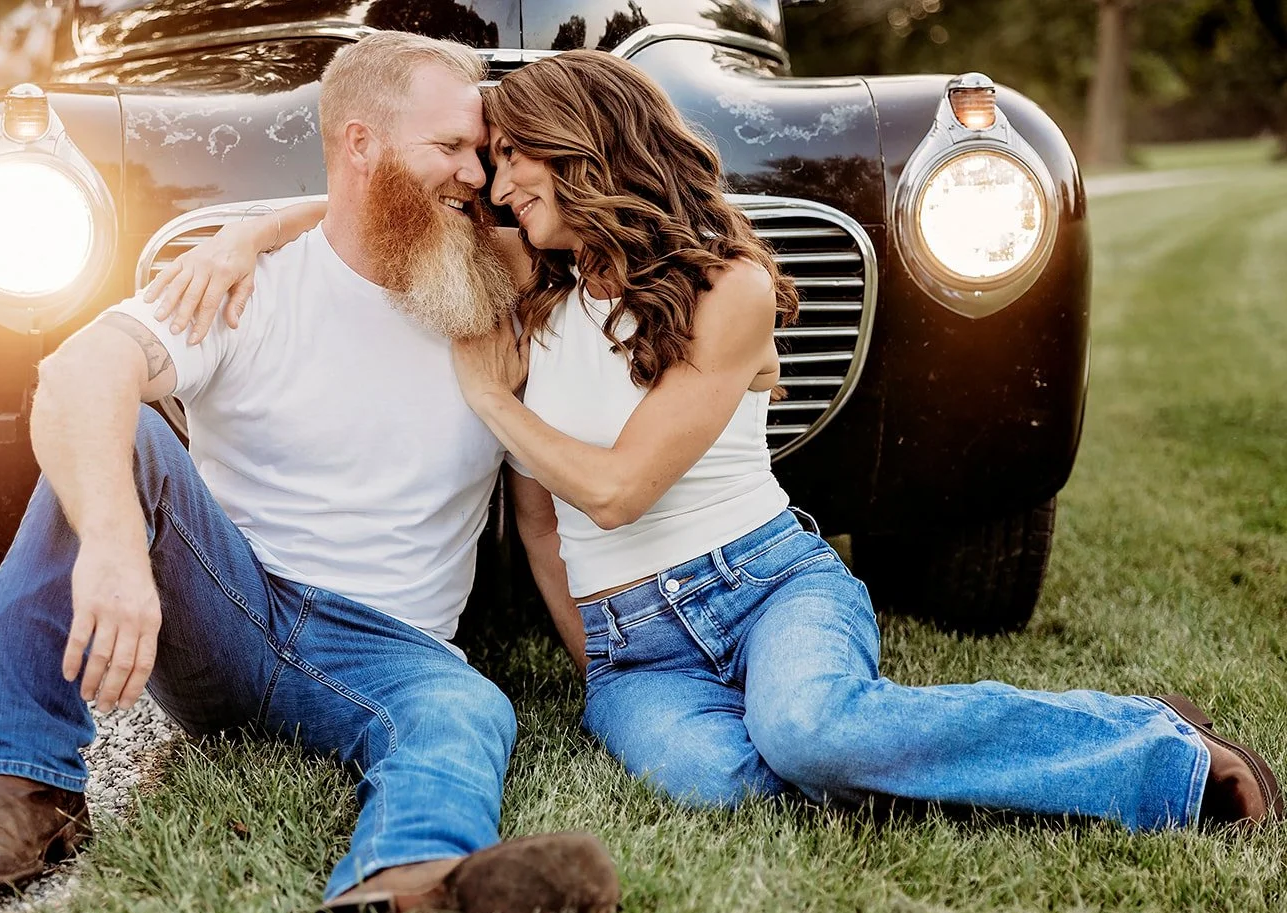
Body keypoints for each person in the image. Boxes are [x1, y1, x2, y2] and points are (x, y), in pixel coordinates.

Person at [157, 50, 1279, 831]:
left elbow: (611, 490)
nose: (490, 185)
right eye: (486, 164)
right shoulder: (519, 276)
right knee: (729, 781)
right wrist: (251, 230)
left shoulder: (728, 288)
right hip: (632, 647)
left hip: (763, 583)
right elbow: (383, 210)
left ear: (575, 148)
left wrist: (488, 399)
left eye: (510, 160)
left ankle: (1154, 753)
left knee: (811, 728)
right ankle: (991, 738)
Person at [0, 32, 621, 913]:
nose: (478, 176)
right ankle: (21, 785)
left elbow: (620, 240)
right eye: (450, 149)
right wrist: (120, 551)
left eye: (479, 152)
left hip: (390, 650)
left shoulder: (499, 280)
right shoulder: (241, 285)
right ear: (360, 144)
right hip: (231, 613)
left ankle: (405, 885)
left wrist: (261, 218)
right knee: (112, 418)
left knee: (471, 706)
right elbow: (76, 370)